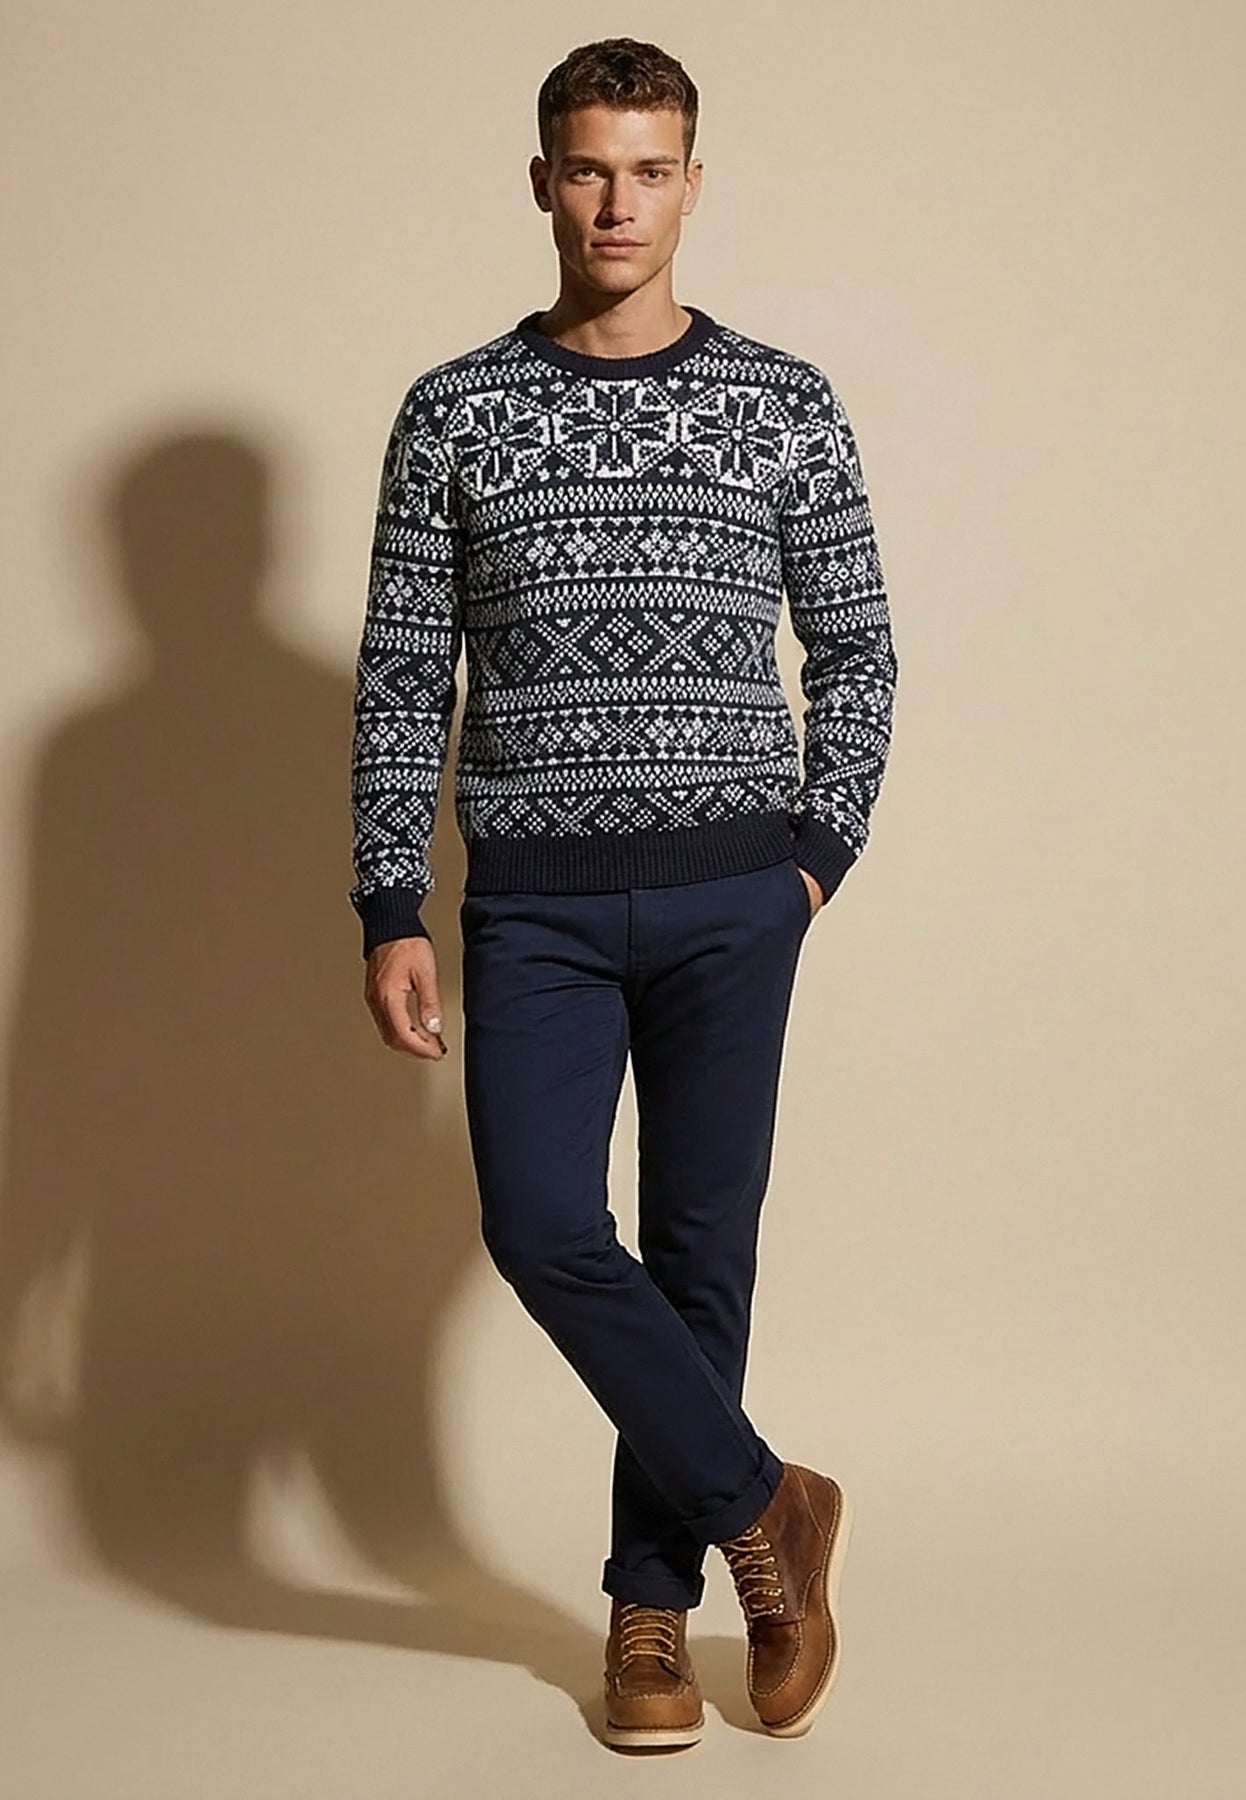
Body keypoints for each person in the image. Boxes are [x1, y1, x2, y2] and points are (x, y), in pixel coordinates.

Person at [348, 36, 898, 1751]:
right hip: (536, 907)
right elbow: (400, 677)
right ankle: (770, 1509)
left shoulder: (783, 401)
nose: (616, 202)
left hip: (739, 893)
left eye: (648, 170)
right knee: (541, 1225)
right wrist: (388, 901)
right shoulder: (453, 410)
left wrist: (815, 856)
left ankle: (649, 1614)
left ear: (691, 186)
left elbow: (859, 649)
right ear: (541, 182)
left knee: (699, 1254)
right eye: (587, 168)